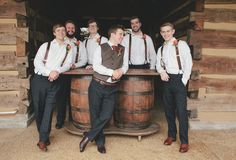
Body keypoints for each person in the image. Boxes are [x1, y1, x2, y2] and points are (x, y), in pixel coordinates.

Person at [79, 25, 128, 154]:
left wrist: (121, 71)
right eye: (120, 34)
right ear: (112, 34)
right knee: (95, 115)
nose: (122, 37)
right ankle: (100, 143)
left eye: (122, 35)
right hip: (97, 86)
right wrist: (112, 72)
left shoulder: (123, 49)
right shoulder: (100, 48)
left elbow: (125, 65)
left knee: (106, 115)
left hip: (112, 88)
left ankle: (88, 136)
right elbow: (96, 66)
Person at [31, 23, 73, 151]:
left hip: (55, 81)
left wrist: (57, 72)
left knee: (49, 110)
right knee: (39, 109)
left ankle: (43, 139)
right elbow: (37, 62)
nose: (61, 32)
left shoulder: (69, 47)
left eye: (63, 30)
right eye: (58, 30)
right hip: (40, 80)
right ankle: (43, 134)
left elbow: (68, 64)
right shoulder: (46, 45)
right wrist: (49, 72)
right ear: (54, 33)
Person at [156, 22, 193, 153]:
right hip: (167, 81)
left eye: (168, 31)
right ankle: (171, 135)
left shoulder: (181, 45)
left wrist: (183, 81)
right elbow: (158, 64)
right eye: (163, 32)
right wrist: (161, 72)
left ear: (173, 31)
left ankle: (184, 141)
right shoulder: (161, 48)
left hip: (179, 80)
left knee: (181, 112)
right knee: (168, 110)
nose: (165, 34)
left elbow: (189, 64)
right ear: (161, 33)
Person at [55, 20, 87, 129]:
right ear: (65, 28)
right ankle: (60, 120)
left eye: (72, 28)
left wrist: (75, 65)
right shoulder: (59, 42)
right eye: (68, 28)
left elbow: (84, 59)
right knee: (61, 98)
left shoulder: (79, 43)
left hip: (75, 74)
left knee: (74, 98)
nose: (70, 30)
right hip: (62, 74)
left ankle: (73, 119)